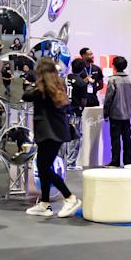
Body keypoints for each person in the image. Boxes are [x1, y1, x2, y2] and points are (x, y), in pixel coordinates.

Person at [22, 58, 82, 218]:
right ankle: (44, 204)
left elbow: (26, 95)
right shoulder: (58, 86)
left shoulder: (41, 89)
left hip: (48, 134)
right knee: (44, 167)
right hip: (56, 133)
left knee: (43, 168)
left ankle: (70, 197)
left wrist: (29, 82)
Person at [102, 56, 131, 167]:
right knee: (127, 138)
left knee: (115, 139)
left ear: (114, 66)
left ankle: (115, 161)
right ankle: (128, 161)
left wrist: (105, 113)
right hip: (127, 114)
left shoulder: (112, 80)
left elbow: (108, 99)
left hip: (115, 114)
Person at [62, 57, 88, 171]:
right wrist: (80, 109)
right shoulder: (82, 83)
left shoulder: (64, 79)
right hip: (75, 112)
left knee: (62, 137)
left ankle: (62, 160)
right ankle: (70, 163)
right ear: (82, 69)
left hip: (63, 111)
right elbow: (83, 101)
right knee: (75, 138)